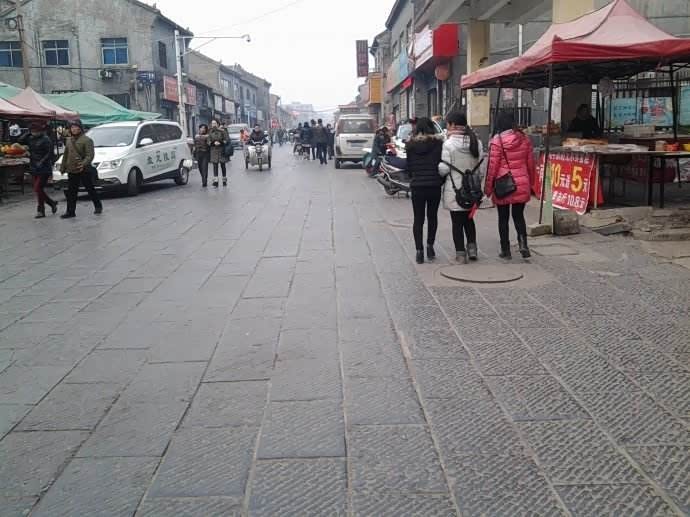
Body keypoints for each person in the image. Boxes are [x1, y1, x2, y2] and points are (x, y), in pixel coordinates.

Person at [485, 112, 535, 260]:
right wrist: (531, 183)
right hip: (522, 182)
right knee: (519, 216)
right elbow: (531, 164)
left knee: (503, 218)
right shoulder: (524, 139)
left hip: (503, 185)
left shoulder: (497, 141)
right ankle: (523, 244)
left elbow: (492, 168)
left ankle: (505, 250)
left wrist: (488, 189)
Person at [438, 112, 483, 263]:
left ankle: (461, 254)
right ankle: (472, 250)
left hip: (455, 190)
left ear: (452, 125)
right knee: (469, 220)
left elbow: (444, 169)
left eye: (447, 124)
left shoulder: (448, 144)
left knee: (457, 222)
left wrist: (439, 168)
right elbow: (480, 169)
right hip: (472, 189)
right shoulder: (477, 142)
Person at [406, 117, 444, 264]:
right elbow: (441, 164)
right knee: (432, 217)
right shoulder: (438, 144)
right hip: (434, 186)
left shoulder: (410, 145)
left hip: (417, 186)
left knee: (418, 219)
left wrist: (414, 178)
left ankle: (419, 252)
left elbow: (409, 167)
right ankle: (430, 246)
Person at [60, 120, 102, 219]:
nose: (74, 129)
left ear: (80, 128)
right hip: (72, 169)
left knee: (90, 188)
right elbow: (66, 154)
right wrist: (63, 167)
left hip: (84, 169)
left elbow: (90, 155)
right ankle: (70, 211)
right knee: (71, 191)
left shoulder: (87, 140)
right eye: (72, 127)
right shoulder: (69, 140)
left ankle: (98, 206)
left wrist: (83, 164)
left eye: (76, 127)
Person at [20, 122, 58, 218]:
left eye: (36, 131)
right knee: (39, 190)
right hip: (33, 166)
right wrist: (28, 133)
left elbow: (49, 153)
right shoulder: (30, 138)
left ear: (40, 131)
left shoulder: (46, 139)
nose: (34, 132)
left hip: (44, 167)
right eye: (32, 131)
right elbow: (20, 141)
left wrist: (41, 162)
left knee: (37, 188)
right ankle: (47, 206)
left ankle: (43, 208)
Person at [208, 119, 228, 187]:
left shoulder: (222, 131)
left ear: (218, 124)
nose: (213, 125)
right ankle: (216, 181)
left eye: (215, 123)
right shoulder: (210, 132)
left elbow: (226, 140)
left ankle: (224, 180)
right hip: (213, 150)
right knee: (215, 166)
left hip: (221, 150)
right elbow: (208, 141)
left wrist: (221, 142)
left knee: (223, 165)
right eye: (212, 123)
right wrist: (213, 143)